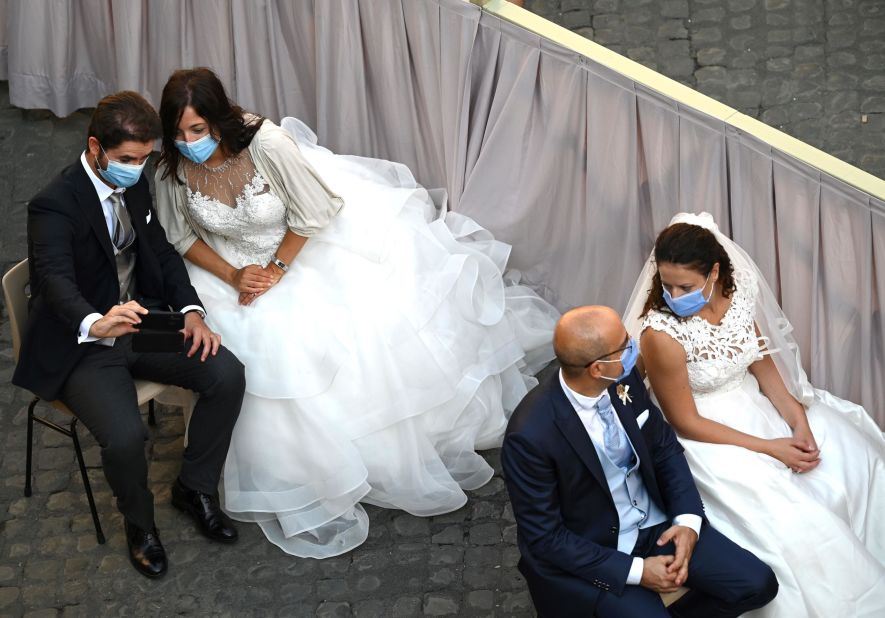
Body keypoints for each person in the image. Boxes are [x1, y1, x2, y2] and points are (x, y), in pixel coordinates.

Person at [154, 67, 559, 558]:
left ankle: (349, 454)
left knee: (333, 337)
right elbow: (181, 236)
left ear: (218, 119)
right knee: (245, 349)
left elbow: (314, 212)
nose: (188, 140)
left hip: (296, 248)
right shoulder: (171, 167)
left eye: (196, 130)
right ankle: (275, 464)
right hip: (228, 268)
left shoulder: (267, 145)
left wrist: (278, 268)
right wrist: (234, 275)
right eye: (178, 132)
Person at [12, 92, 246, 578]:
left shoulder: (135, 184)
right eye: (125, 160)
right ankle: (141, 527)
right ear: (95, 146)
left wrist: (190, 310)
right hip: (84, 343)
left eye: (143, 159)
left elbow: (159, 250)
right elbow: (54, 281)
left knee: (226, 373)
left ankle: (195, 489)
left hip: (141, 325)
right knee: (124, 436)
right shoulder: (53, 205)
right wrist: (94, 321)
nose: (136, 169)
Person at [624, 211, 885, 616]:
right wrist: (770, 448)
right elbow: (685, 422)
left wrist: (797, 420)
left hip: (755, 407)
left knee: (853, 452)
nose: (674, 296)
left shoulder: (737, 296)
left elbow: (760, 364)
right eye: (667, 285)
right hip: (708, 437)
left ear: (714, 273)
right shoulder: (661, 335)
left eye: (686, 286)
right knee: (792, 517)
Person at [502, 306, 778, 618]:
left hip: (655, 526)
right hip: (597, 550)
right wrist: (637, 571)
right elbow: (546, 538)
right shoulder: (529, 435)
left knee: (758, 584)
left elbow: (664, 449)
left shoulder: (624, 377)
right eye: (624, 344)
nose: (633, 344)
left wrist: (687, 522)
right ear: (596, 368)